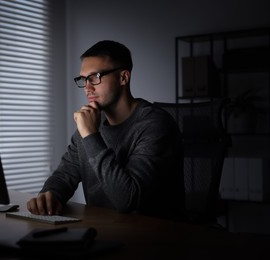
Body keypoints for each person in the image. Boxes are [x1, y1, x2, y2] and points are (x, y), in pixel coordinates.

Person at [27, 40, 185, 220]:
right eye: (84, 79)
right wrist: (49, 196)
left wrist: (91, 136)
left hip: (153, 238)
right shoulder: (92, 122)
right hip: (102, 231)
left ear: (123, 77)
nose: (87, 87)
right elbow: (65, 174)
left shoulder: (155, 125)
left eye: (95, 77)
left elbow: (128, 200)